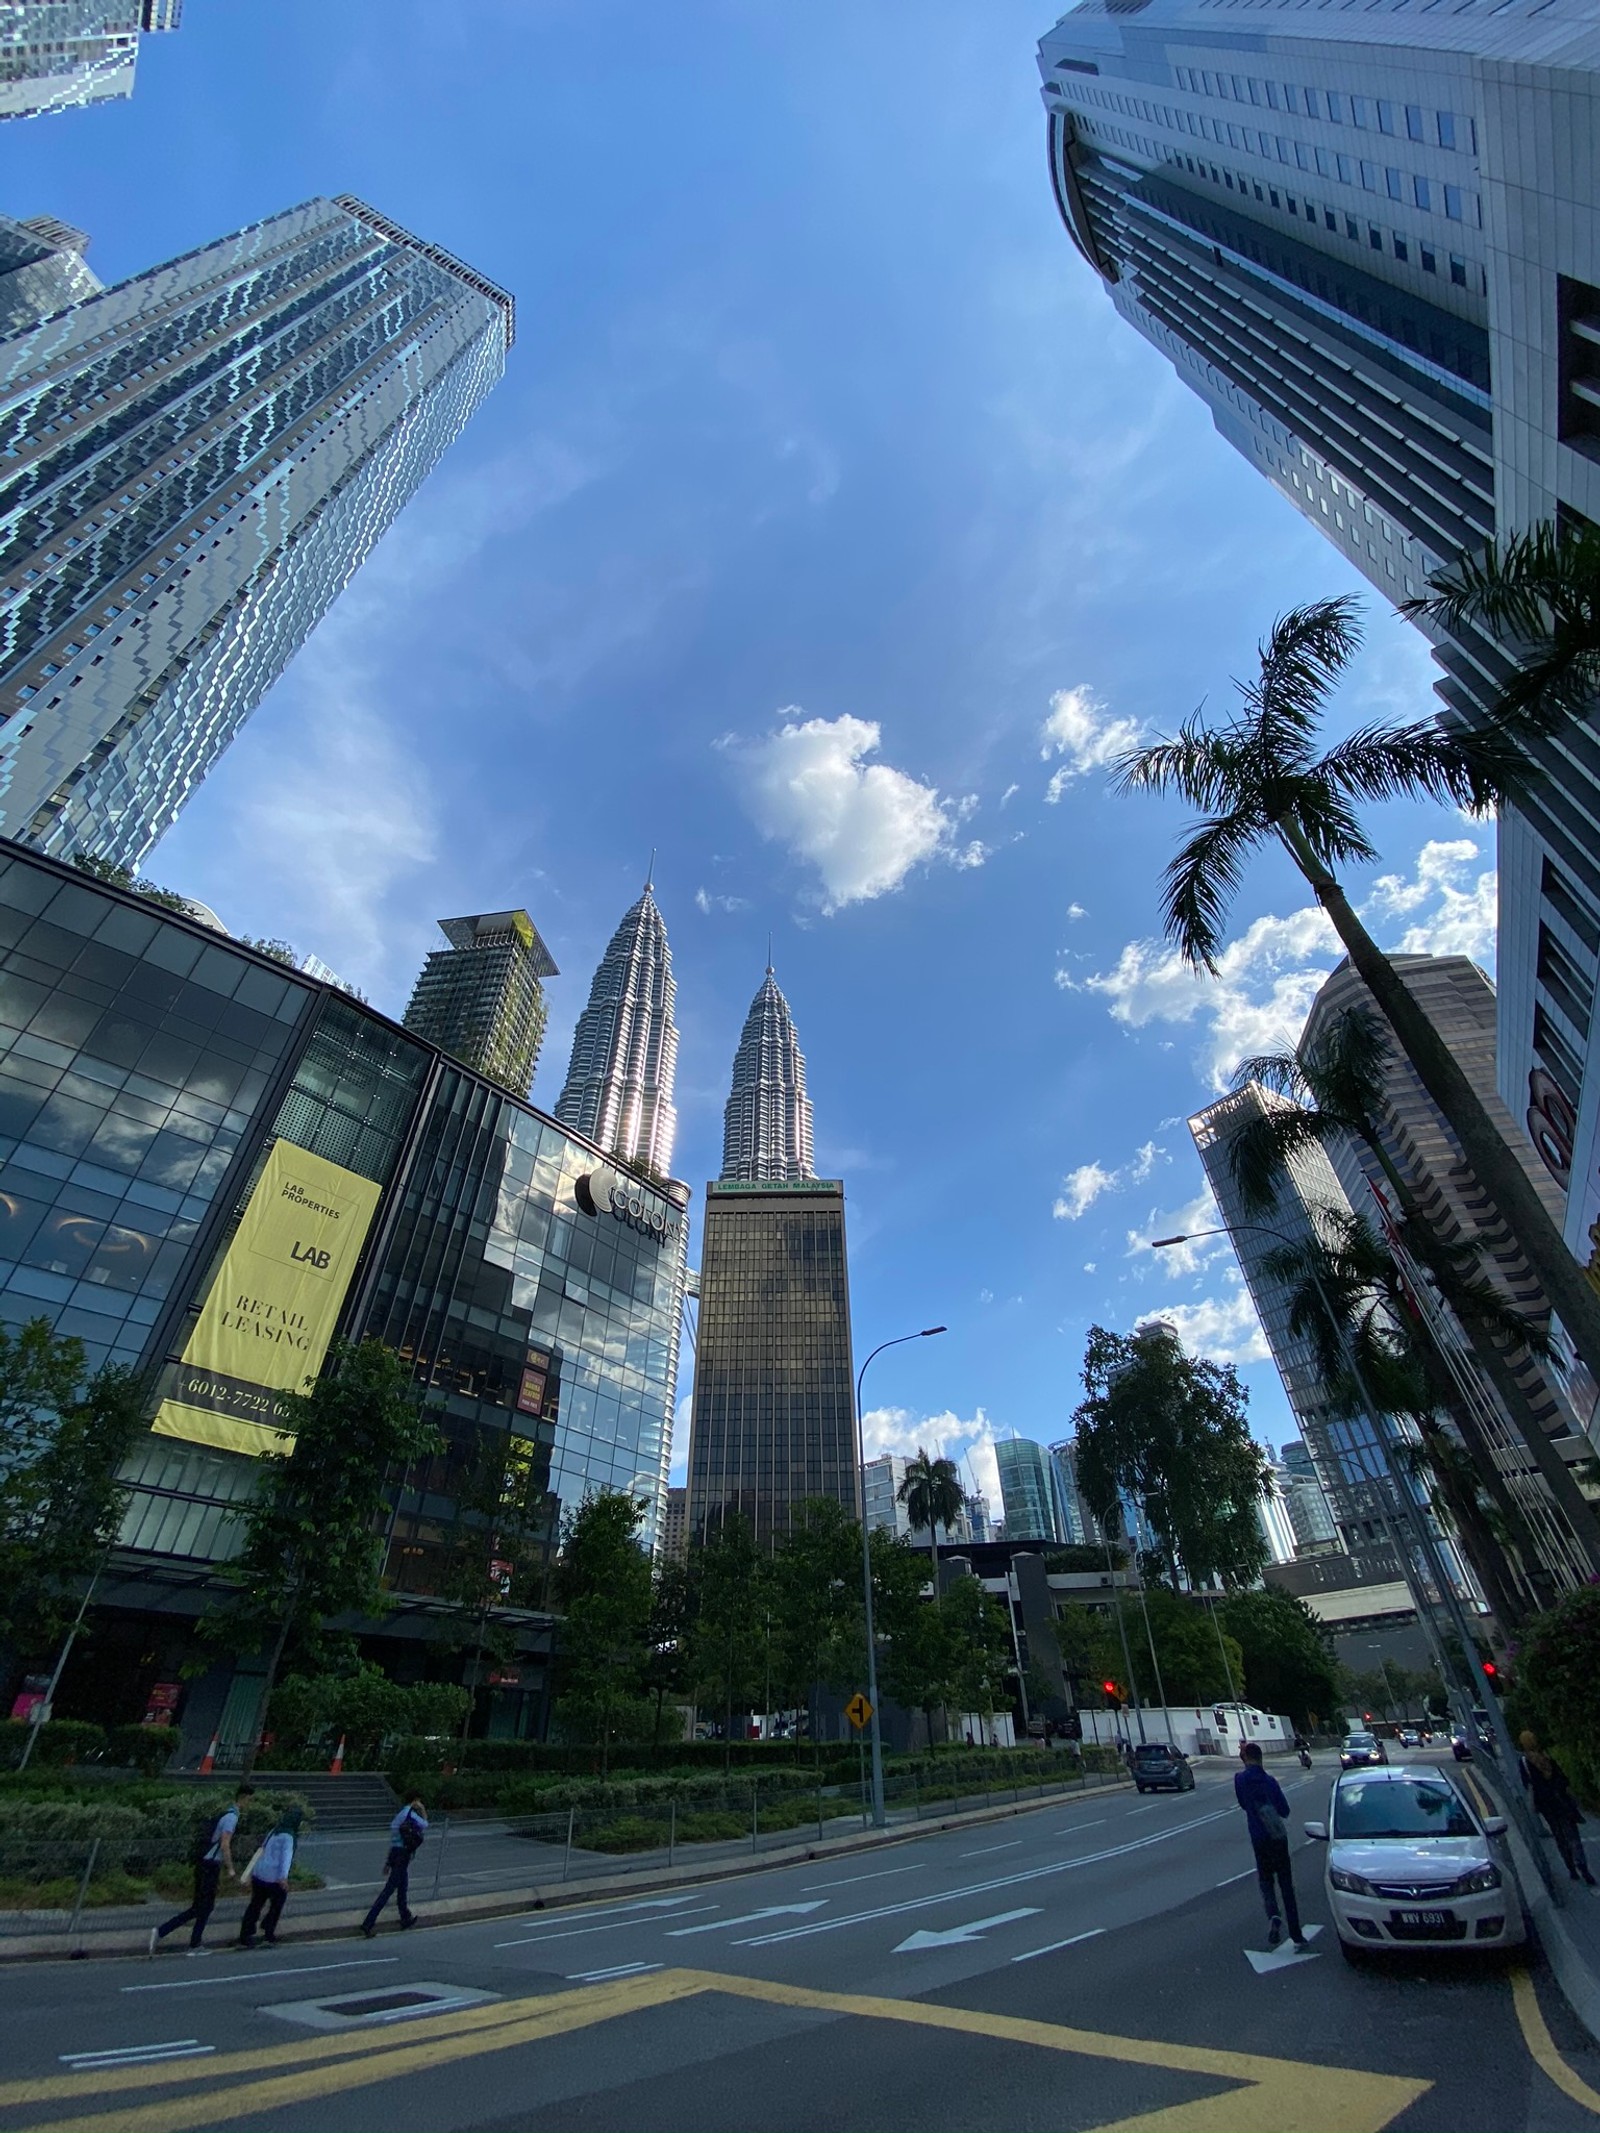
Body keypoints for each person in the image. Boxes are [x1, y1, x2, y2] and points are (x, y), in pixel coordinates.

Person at [150, 1783, 255, 1956]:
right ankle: (178, 1937)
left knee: (201, 1907)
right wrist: (230, 1869)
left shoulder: (227, 1813)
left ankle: (184, 1938)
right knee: (202, 1907)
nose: (250, 1804)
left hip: (205, 1863)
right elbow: (225, 1845)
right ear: (243, 1798)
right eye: (250, 1800)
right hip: (210, 1866)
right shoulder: (232, 1818)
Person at [1234, 1742, 1307, 1949]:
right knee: (1286, 1885)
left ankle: (1273, 1915)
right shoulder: (1270, 1781)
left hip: (1258, 1838)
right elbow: (1284, 1810)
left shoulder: (1240, 1780)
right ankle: (1296, 1933)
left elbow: (1242, 1804)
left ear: (1245, 1758)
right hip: (1277, 1838)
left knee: (1266, 1881)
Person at [1519, 1731, 1596, 1887]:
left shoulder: (1524, 1762)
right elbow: (1562, 1778)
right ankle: (1583, 1867)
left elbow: (1527, 1784)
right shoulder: (1546, 1756)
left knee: (1559, 1836)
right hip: (1562, 1801)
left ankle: (1571, 1868)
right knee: (1572, 1835)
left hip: (1547, 1806)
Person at [360, 1795, 428, 1937]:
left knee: (403, 1887)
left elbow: (394, 1841)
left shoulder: (399, 1815)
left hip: (397, 1854)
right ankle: (368, 1923)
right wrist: (421, 1809)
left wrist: (388, 1863)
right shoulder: (410, 1814)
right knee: (389, 1890)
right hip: (403, 1855)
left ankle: (405, 1917)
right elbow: (425, 1824)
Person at [235, 1806, 302, 1948]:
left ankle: (246, 1934)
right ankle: (268, 1932)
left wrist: (249, 1872)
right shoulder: (289, 1836)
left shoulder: (274, 1831)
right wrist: (283, 1877)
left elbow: (261, 1850)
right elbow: (286, 1858)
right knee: (277, 1904)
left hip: (259, 1874)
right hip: (274, 1877)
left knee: (255, 1904)